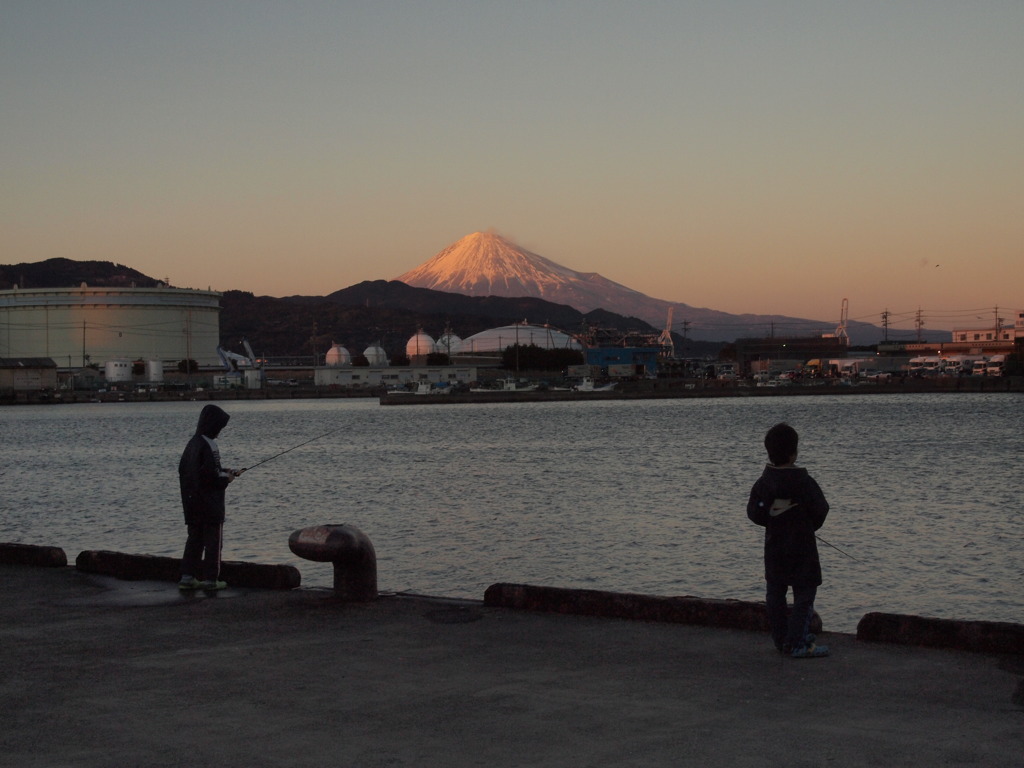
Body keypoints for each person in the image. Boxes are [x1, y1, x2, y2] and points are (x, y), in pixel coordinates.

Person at [746, 422, 830, 658]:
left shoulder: (764, 484)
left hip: (775, 547)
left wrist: (772, 516)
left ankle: (783, 639)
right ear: (794, 453)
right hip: (803, 548)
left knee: (775, 593)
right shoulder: (805, 483)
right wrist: (806, 524)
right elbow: (821, 510)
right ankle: (797, 642)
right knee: (804, 594)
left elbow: (755, 512)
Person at [177, 404, 242, 591]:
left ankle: (187, 577)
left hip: (191, 502)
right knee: (214, 542)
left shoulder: (193, 443)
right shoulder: (210, 444)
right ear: (213, 425)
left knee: (194, 540)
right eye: (220, 427)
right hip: (211, 505)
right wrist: (227, 478)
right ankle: (211, 580)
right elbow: (211, 477)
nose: (220, 431)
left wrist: (224, 470)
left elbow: (192, 471)